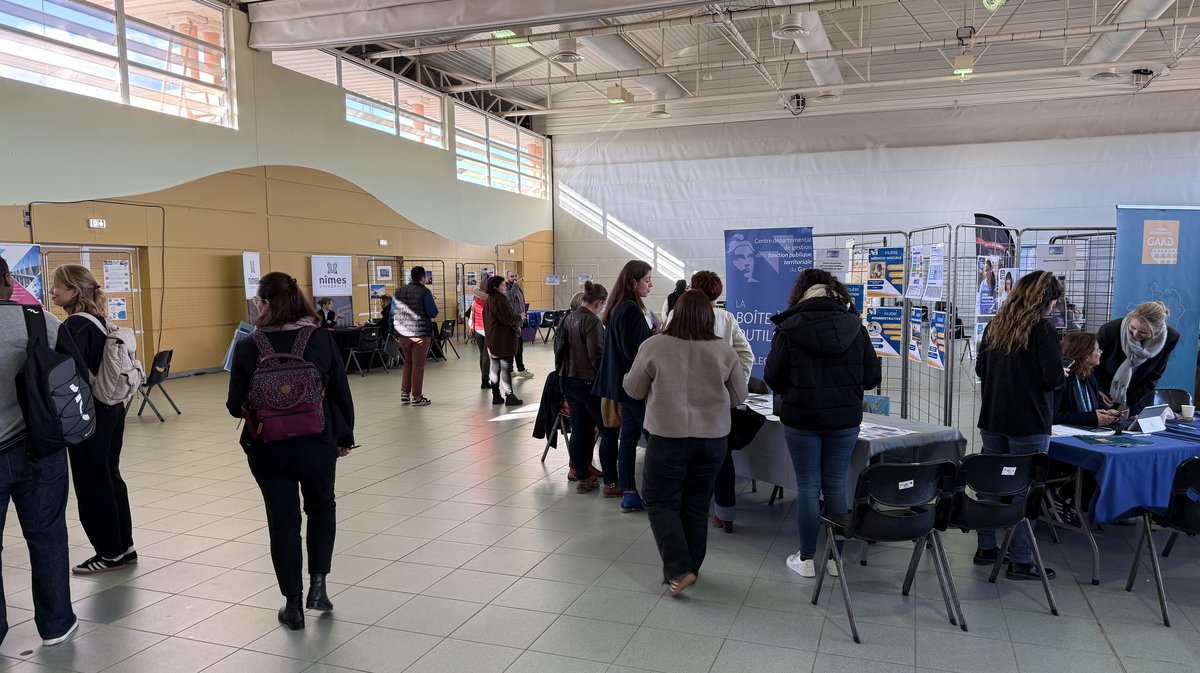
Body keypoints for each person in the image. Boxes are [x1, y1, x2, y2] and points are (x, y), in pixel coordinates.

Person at [227, 272, 355, 630]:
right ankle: (319, 588)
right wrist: (344, 437)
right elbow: (340, 391)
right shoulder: (320, 338)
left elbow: (234, 406)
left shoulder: (248, 345)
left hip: (268, 448)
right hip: (317, 442)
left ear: (265, 303)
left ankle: (293, 605)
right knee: (321, 507)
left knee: (283, 521)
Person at [623, 290, 747, 596]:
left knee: (660, 501)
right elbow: (738, 396)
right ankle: (692, 567)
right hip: (713, 440)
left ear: (674, 314)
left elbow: (634, 389)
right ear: (709, 317)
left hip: (668, 437)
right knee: (697, 504)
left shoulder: (654, 346)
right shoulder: (723, 350)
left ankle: (679, 569)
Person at [764, 269, 880, 578]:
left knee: (808, 486)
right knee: (836, 484)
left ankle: (805, 559)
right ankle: (834, 559)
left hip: (801, 419)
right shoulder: (856, 327)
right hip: (844, 420)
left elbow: (772, 377)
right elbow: (872, 378)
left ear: (801, 294)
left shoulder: (788, 328)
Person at [0, 258, 78, 647]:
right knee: (46, 535)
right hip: (39, 448)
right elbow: (75, 379)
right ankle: (56, 624)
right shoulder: (40, 321)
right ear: (6, 280)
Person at [973, 269, 1064, 581]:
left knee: (991, 487)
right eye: (1054, 301)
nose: (1055, 306)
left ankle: (986, 548)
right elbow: (1052, 378)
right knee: (1025, 492)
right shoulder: (1043, 330)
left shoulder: (995, 326)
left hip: (993, 418)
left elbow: (981, 369)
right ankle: (1021, 560)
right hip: (1029, 423)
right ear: (1046, 300)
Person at [50, 264, 135, 575]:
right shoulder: (101, 322)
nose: (52, 291)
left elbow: (65, 376)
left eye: (58, 286)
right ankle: (124, 546)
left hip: (88, 414)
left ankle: (108, 552)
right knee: (110, 476)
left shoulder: (72, 327)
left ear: (74, 291)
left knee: (91, 483)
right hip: (113, 409)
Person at [685, 271, 752, 532]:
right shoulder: (726, 318)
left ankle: (692, 510)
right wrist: (734, 387)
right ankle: (725, 513)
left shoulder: (678, 316)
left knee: (688, 457)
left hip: (685, 398)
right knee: (721, 456)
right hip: (718, 399)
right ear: (718, 292)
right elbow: (746, 354)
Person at [593, 260, 655, 513]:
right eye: (647, 280)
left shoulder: (618, 307)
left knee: (628, 438)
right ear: (633, 282)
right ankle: (655, 494)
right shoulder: (630, 310)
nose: (650, 285)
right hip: (633, 386)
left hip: (623, 386)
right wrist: (655, 340)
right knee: (654, 438)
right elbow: (634, 352)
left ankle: (629, 492)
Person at [558, 281, 619, 495]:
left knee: (579, 430)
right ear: (599, 303)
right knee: (608, 430)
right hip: (589, 383)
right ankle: (611, 483)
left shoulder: (567, 318)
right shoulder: (592, 321)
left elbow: (560, 351)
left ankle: (582, 479)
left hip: (568, 380)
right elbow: (597, 356)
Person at [1095, 301, 1180, 414]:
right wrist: (1100, 391)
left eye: (1143, 332)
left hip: (1139, 399)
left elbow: (1155, 375)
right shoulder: (1109, 330)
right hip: (1104, 395)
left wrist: (1128, 402)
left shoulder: (1170, 337)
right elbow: (1094, 367)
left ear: (1157, 331)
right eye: (1132, 327)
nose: (1135, 334)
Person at [1055, 332, 1123, 428]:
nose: (1101, 352)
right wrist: (1092, 418)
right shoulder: (1062, 379)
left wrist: (1106, 413)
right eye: (1097, 350)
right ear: (1086, 355)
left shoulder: (1090, 377)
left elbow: (1093, 408)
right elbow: (1053, 416)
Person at [394, 266, 439, 407]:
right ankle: (417, 397)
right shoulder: (424, 291)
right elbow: (433, 312)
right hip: (420, 334)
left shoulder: (399, 291)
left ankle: (405, 393)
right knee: (418, 365)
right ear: (422, 278)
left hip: (403, 333)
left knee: (408, 362)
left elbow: (393, 312)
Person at [484, 275, 523, 406]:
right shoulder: (499, 300)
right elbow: (507, 319)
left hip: (493, 338)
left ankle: (496, 396)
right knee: (506, 367)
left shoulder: (489, 299)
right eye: (502, 285)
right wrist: (520, 317)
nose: (505, 287)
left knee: (495, 367)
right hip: (503, 339)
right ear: (496, 287)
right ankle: (509, 395)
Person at [505, 270, 534, 380]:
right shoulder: (507, 287)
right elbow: (510, 297)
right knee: (515, 347)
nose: (514, 278)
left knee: (519, 346)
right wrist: (516, 285)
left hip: (519, 321)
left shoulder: (517, 287)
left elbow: (520, 302)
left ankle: (517, 368)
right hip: (512, 322)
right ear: (507, 277)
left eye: (515, 276)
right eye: (511, 276)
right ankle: (515, 369)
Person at [470, 272, 491, 390]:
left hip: (477, 328)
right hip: (487, 328)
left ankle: (484, 377)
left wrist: (472, 328)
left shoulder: (476, 296)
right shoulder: (490, 298)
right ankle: (485, 381)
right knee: (487, 355)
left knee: (482, 355)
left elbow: (472, 312)